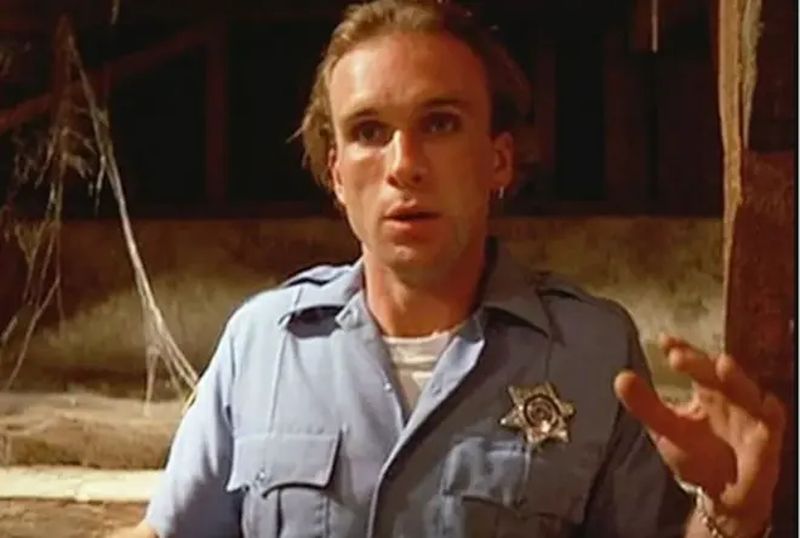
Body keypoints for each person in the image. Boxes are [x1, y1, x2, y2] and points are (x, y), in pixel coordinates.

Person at [115, 1, 785, 536]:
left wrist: (732, 517)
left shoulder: (591, 352)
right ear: (337, 174)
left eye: (439, 124)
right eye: (369, 132)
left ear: (498, 160)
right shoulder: (263, 344)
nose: (403, 165)